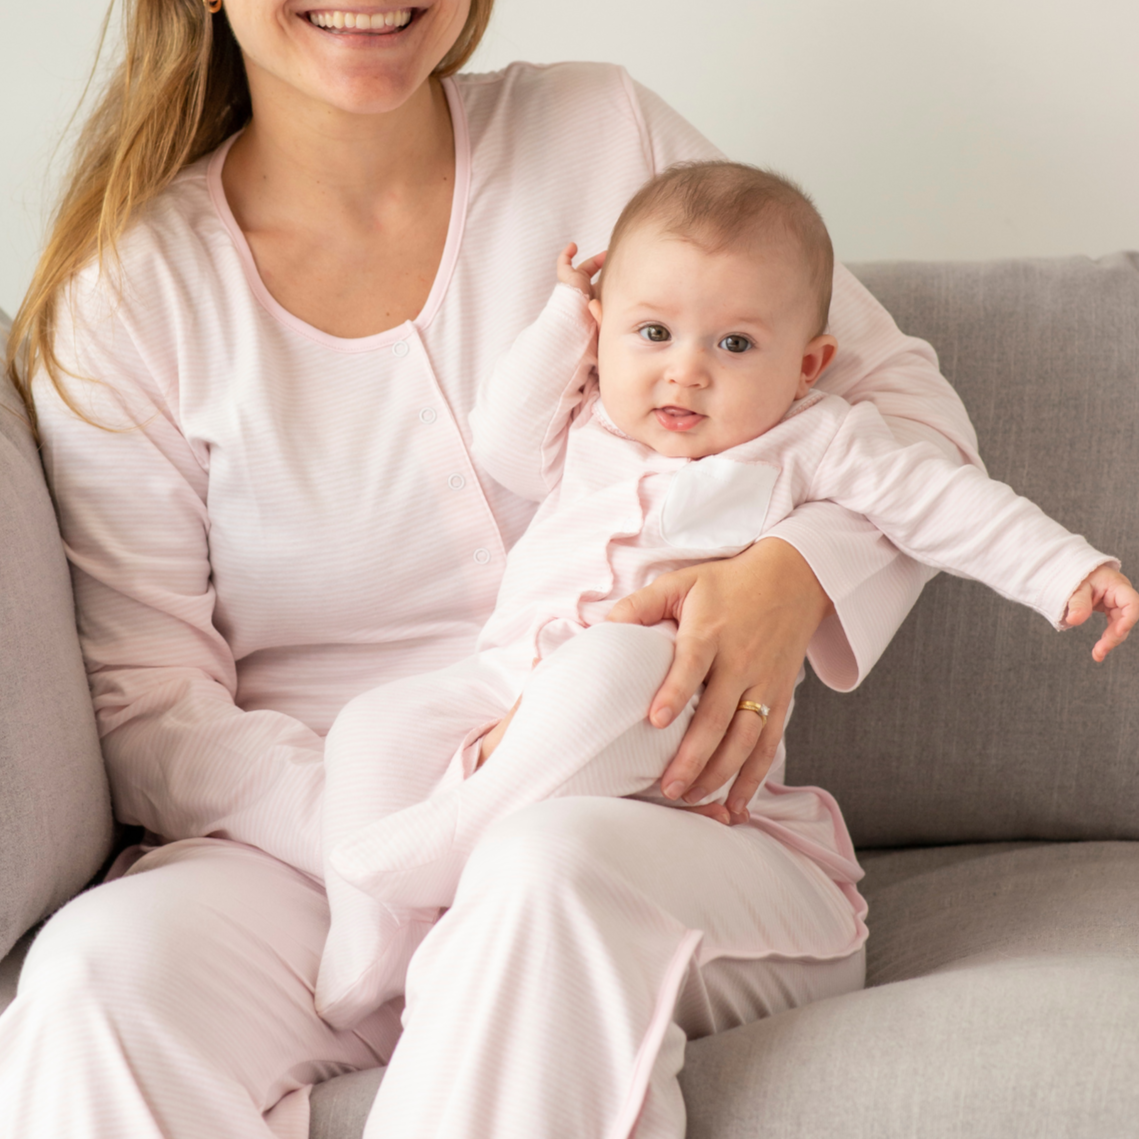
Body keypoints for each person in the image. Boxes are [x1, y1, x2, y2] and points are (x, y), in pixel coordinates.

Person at [0, 1, 1043, 1135]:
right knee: (99, 978)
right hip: (314, 854)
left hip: (660, 823)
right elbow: (151, 701)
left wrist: (790, 573)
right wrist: (382, 840)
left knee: (541, 866)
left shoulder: (601, 132)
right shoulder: (129, 293)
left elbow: (910, 420)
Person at [316, 161, 1137, 1028]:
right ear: (603, 331)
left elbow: (939, 501)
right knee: (372, 727)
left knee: (612, 664)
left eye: (734, 345)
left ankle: (454, 837)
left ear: (806, 365)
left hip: (666, 707)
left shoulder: (815, 439)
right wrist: (564, 319)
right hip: (503, 682)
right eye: (652, 333)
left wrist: (1065, 569)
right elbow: (501, 443)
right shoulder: (588, 416)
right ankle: (368, 945)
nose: (685, 372)